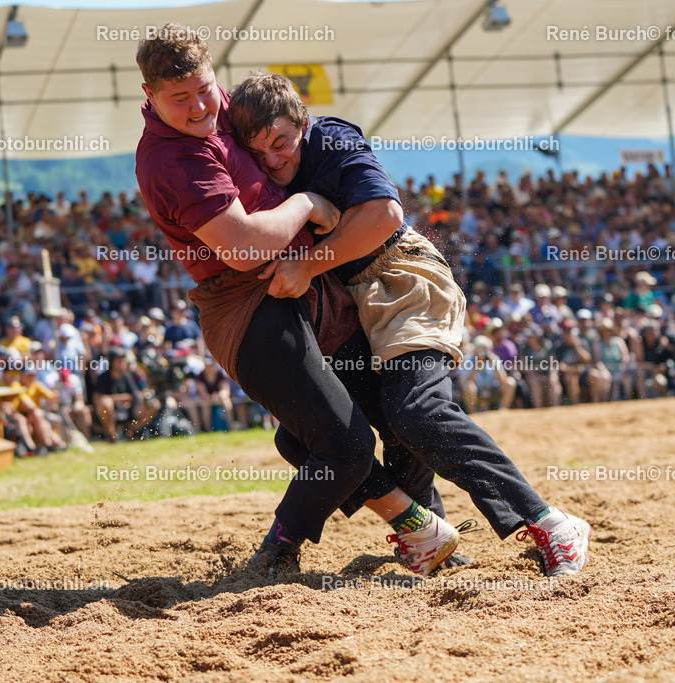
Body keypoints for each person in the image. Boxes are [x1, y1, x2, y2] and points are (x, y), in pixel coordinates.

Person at [228, 71, 591, 576]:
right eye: (258, 153)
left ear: (302, 122)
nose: (273, 161)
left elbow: (383, 215)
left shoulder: (332, 137)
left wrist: (309, 264)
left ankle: (548, 522)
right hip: (349, 299)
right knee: (304, 436)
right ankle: (428, 534)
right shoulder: (259, 164)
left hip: (401, 278)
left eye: (281, 144)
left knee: (415, 411)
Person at [135, 26, 464, 577]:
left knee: (388, 411)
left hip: (310, 289)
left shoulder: (228, 114)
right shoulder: (171, 159)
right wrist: (309, 201)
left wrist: (319, 242)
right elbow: (242, 249)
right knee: (345, 446)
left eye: (204, 89)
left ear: (215, 76)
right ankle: (280, 552)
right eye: (178, 98)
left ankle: (428, 528)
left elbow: (285, 129)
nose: (198, 108)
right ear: (149, 97)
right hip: (246, 308)